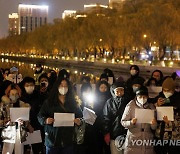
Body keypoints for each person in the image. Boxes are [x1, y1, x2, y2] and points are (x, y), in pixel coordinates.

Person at [38, 77, 82, 154]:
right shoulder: (49, 102)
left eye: (66, 86)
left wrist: (79, 121)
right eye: (61, 85)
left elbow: (81, 117)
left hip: (68, 140)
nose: (63, 88)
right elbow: (40, 116)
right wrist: (45, 120)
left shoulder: (74, 103)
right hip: (52, 139)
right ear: (57, 87)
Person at [121, 86, 157, 154]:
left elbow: (154, 127)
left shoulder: (151, 107)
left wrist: (154, 124)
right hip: (134, 140)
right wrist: (131, 122)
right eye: (140, 97)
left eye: (144, 97)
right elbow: (123, 122)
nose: (142, 99)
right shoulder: (131, 105)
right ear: (136, 96)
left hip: (147, 140)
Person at [152, 77, 180, 154]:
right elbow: (151, 112)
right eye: (165, 90)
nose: (166, 92)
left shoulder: (178, 99)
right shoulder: (159, 97)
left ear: (173, 90)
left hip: (174, 137)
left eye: (169, 90)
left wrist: (170, 123)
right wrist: (157, 104)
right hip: (160, 134)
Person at [103, 81, 131, 154]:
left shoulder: (129, 101)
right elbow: (106, 118)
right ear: (113, 91)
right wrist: (107, 132)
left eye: (121, 90)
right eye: (117, 90)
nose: (119, 92)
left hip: (127, 134)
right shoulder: (109, 102)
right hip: (114, 134)